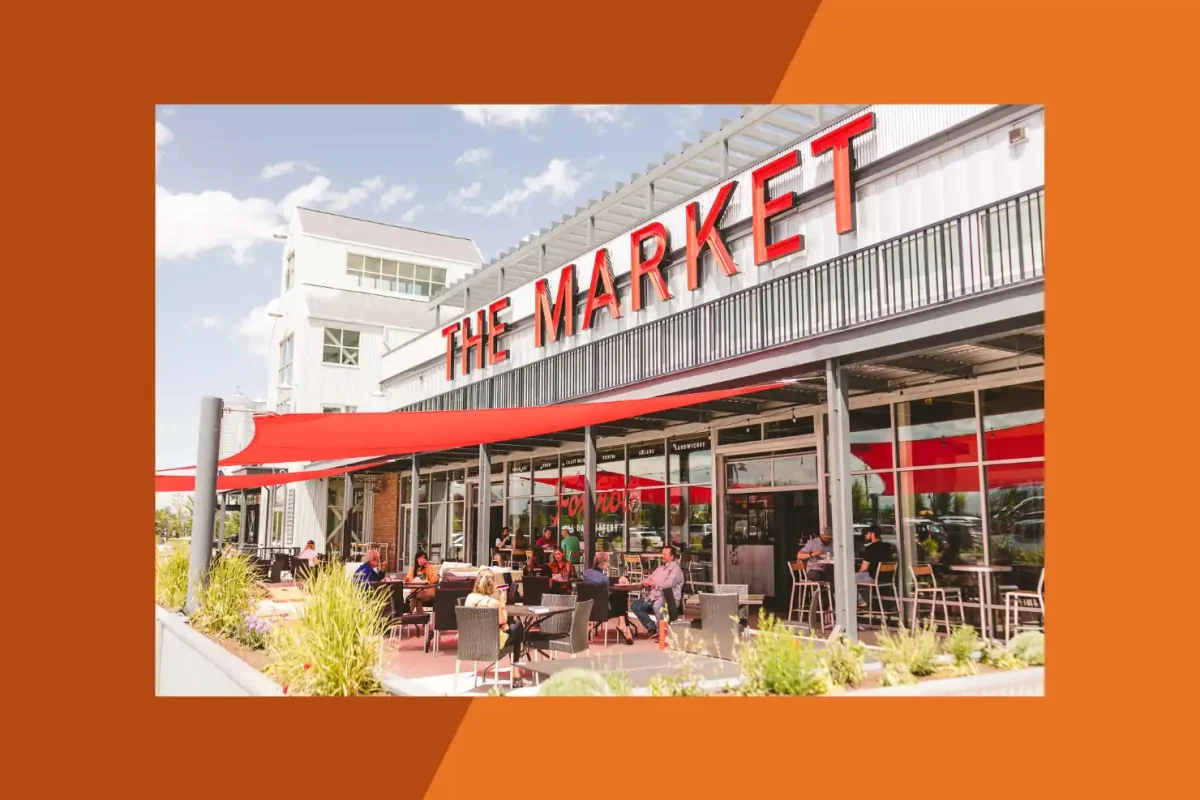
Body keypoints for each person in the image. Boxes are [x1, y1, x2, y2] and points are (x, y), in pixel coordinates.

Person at [464, 569, 525, 667]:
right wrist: (502, 603)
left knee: (512, 629)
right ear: (493, 584)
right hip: (493, 642)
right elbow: (503, 620)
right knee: (517, 626)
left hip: (473, 642)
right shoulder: (493, 603)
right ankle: (516, 668)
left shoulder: (469, 597)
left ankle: (517, 666)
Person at [632, 545, 685, 639]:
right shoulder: (660, 568)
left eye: (665, 554)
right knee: (636, 606)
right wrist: (644, 583)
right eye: (662, 554)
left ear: (672, 557)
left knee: (657, 605)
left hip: (669, 599)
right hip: (653, 596)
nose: (662, 556)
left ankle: (662, 632)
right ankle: (651, 628)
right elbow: (649, 578)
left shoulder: (675, 569)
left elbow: (668, 584)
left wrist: (653, 583)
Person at [582, 553, 635, 645]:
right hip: (603, 611)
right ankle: (624, 626)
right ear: (603, 564)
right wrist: (621, 578)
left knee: (619, 598)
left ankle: (625, 627)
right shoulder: (604, 579)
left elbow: (605, 579)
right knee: (620, 597)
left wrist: (617, 578)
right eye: (608, 562)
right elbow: (606, 580)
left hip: (589, 610)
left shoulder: (586, 573)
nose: (609, 564)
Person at [855, 525, 895, 603]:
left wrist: (858, 573)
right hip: (888, 578)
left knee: (852, 578)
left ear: (872, 534)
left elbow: (864, 568)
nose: (866, 535)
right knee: (861, 577)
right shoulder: (887, 546)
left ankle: (861, 601)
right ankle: (868, 601)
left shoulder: (870, 549)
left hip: (875, 578)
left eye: (867, 533)